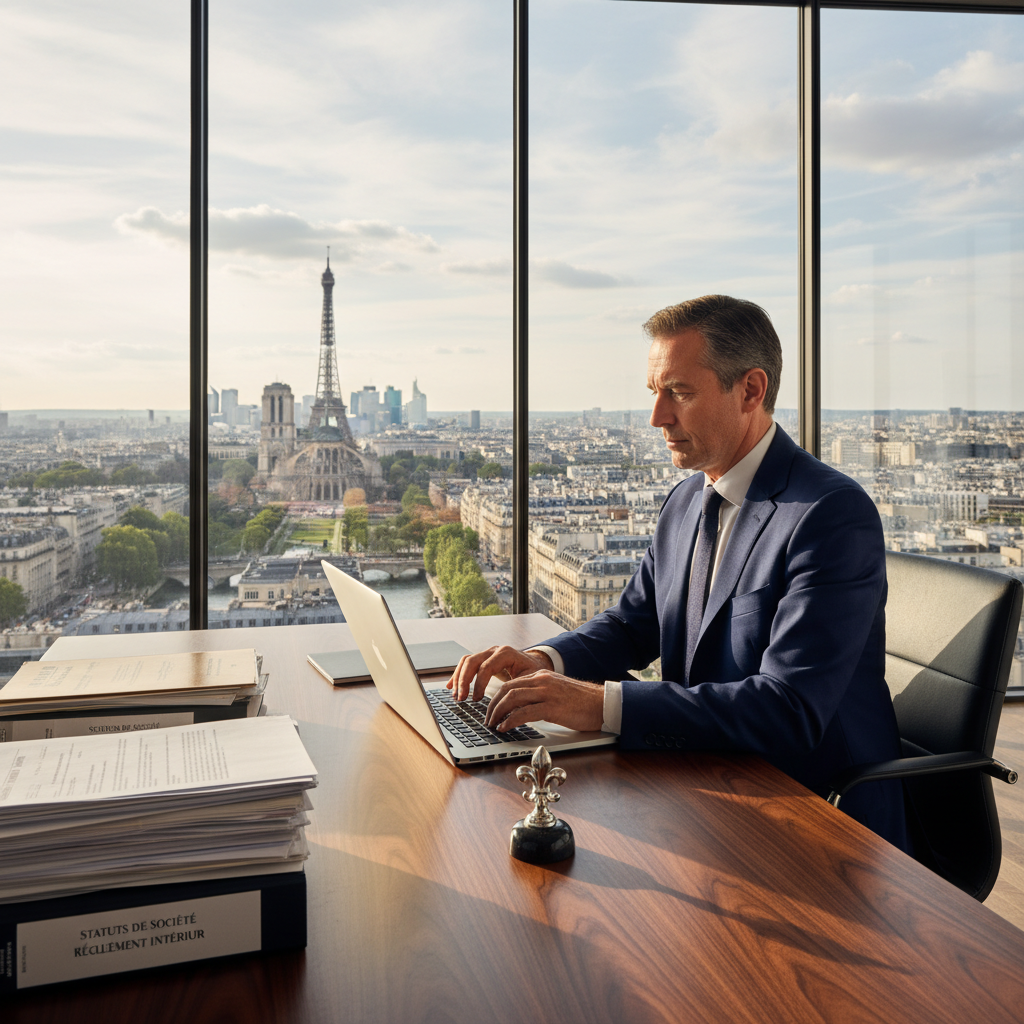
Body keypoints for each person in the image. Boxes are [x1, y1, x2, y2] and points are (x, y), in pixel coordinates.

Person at [449, 294, 908, 851]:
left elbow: (787, 710)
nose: (657, 417)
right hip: (704, 786)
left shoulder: (829, 515)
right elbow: (632, 624)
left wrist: (598, 705)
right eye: (655, 392)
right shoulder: (687, 500)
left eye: (680, 393)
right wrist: (546, 661)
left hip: (819, 819)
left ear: (751, 390)